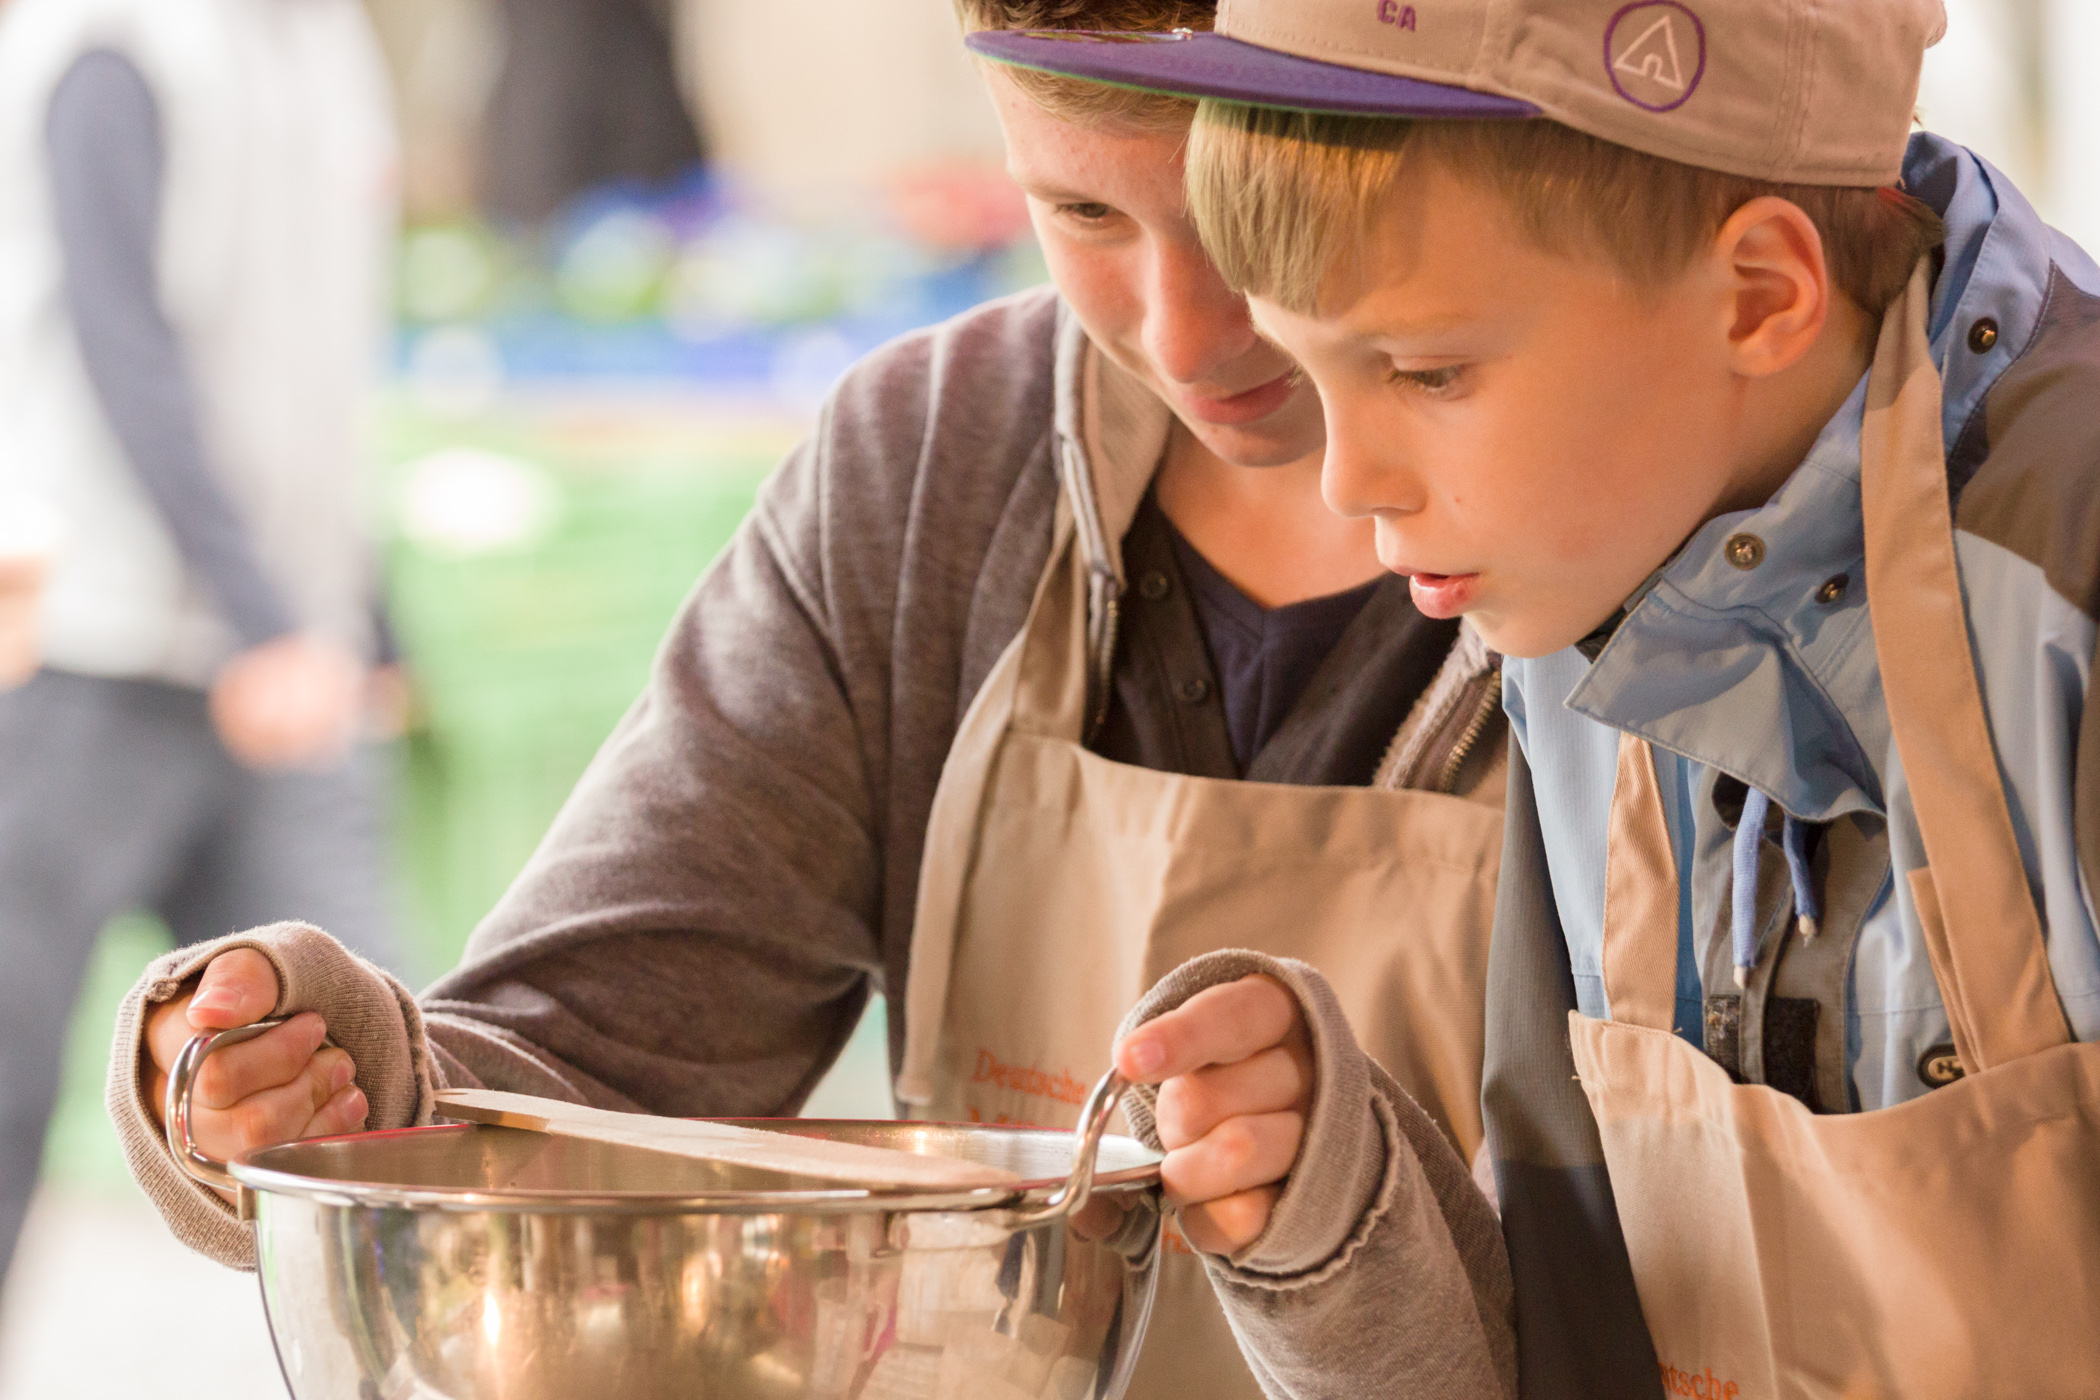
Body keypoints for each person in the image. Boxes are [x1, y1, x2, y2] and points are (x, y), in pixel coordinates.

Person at [111, 4, 1512, 1395]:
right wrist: (334, 1084)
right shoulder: (932, 471)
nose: (1188, 333)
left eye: (1241, 218)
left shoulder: (1615, 513)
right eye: (1084, 212)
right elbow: (597, 1058)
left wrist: (1351, 1219)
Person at [975, 1, 2100, 1395]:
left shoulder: (2064, 594)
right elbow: (1570, 1348)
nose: (1348, 481)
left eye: (1427, 371)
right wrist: (1348, 1218)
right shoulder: (1583, 591)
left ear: (1759, 292)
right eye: (1315, 366)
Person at [0, 0, 403, 1287]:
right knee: (6, 1080)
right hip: (88, 651)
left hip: (285, 667)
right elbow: (126, 340)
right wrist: (268, 612)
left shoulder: (326, 42)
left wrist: (358, 609)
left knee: (378, 1102)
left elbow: (308, 368)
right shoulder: (113, 40)